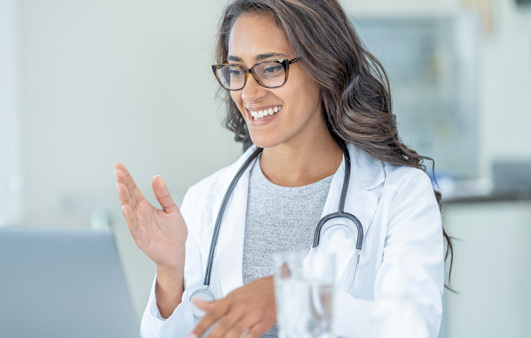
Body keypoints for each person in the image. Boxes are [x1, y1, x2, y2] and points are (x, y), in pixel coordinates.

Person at [114, 0, 453, 337]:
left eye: (271, 68)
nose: (249, 92)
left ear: (326, 65)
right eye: (237, 70)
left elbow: (409, 328)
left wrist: (292, 297)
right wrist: (171, 273)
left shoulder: (401, 194)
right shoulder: (205, 201)